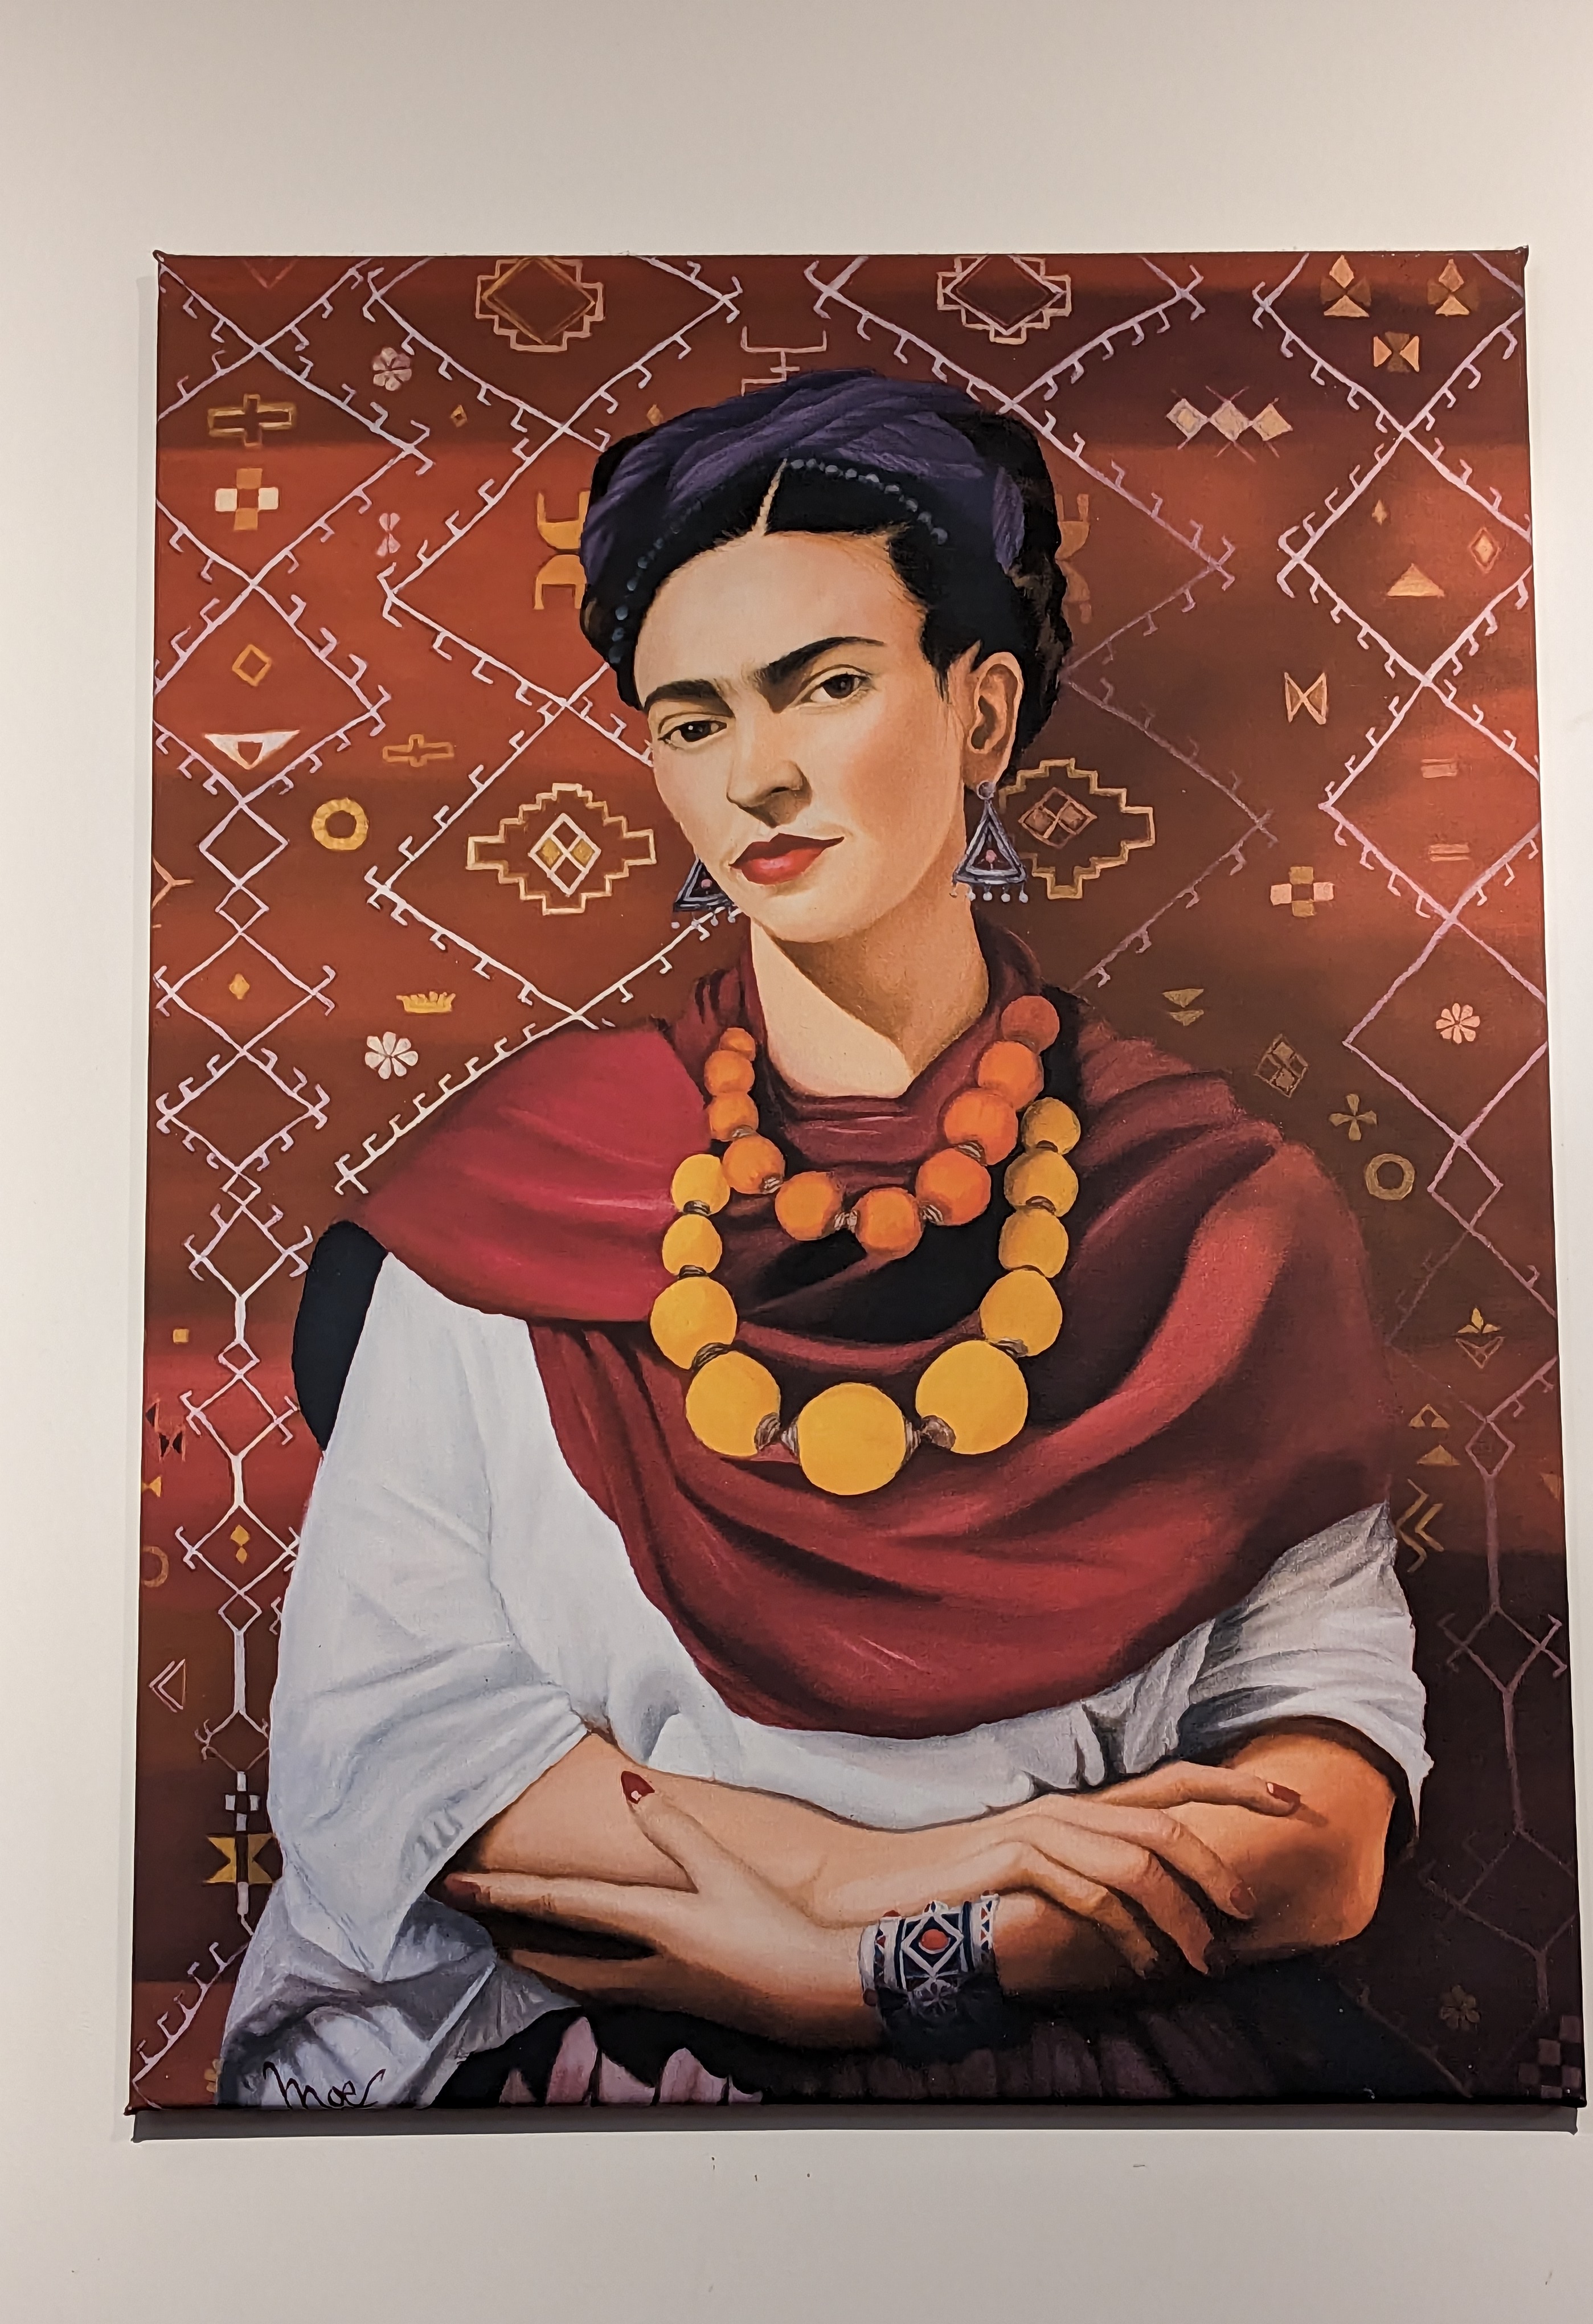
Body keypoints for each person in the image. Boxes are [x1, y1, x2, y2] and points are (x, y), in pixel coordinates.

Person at [219, 371, 1431, 2108]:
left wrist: (871, 1978)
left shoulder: (1222, 1217)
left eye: (828, 685)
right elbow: (414, 1764)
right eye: (691, 719)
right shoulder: (500, 1209)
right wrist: (898, 1878)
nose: (759, 775)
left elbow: (1322, 1819)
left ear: (983, 712)